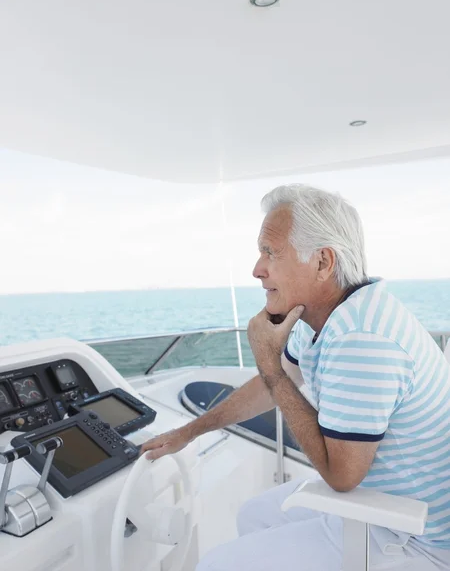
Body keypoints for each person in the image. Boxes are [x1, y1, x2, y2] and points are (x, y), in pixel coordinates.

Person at [140, 184, 450, 570]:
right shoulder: (329, 314)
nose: (257, 269)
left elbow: (341, 476)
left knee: (214, 565)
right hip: (383, 502)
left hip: (419, 536)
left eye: (271, 252)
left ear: (322, 263)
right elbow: (267, 388)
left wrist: (270, 367)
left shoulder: (361, 340)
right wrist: (189, 432)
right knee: (252, 516)